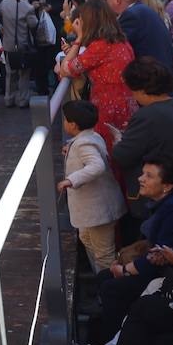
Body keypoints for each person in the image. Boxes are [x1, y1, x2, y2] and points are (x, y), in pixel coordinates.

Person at [96, 156, 173, 342]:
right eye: (143, 173)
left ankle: (110, 344)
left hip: (171, 276)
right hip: (162, 267)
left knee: (112, 287)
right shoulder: (166, 203)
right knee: (105, 278)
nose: (140, 178)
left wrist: (125, 270)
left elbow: (160, 255)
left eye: (149, 176)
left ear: (167, 186)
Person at [59, 0, 136, 158]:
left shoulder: (100, 46)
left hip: (108, 107)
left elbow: (65, 69)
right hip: (126, 103)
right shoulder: (121, 41)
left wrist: (79, 39)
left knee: (108, 153)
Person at [56, 100, 126, 272]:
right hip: (93, 210)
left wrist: (72, 179)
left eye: (65, 119)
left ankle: (108, 288)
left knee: (104, 253)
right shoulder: (90, 137)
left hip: (98, 210)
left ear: (72, 124)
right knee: (87, 238)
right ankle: (102, 281)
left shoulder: (83, 143)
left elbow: (96, 165)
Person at [113, 57, 173, 204]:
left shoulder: (146, 115)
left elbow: (123, 156)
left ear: (142, 91)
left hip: (153, 193)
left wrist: (118, 140)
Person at [107, 0, 173, 74]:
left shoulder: (131, 15)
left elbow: (113, 48)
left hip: (154, 80)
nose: (107, 3)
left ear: (117, 0)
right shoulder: (142, 10)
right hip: (162, 75)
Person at [23, 0, 70, 95]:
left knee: (56, 60)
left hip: (57, 30)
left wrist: (52, 8)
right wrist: (33, 6)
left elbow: (67, 3)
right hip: (39, 33)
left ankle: (58, 91)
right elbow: (27, 5)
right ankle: (42, 91)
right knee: (40, 64)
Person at [0, 0, 39, 108]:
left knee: (10, 73)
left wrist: (1, 26)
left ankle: (9, 98)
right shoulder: (27, 6)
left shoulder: (4, 4)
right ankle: (22, 100)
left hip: (8, 44)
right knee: (24, 74)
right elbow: (33, 24)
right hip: (23, 44)